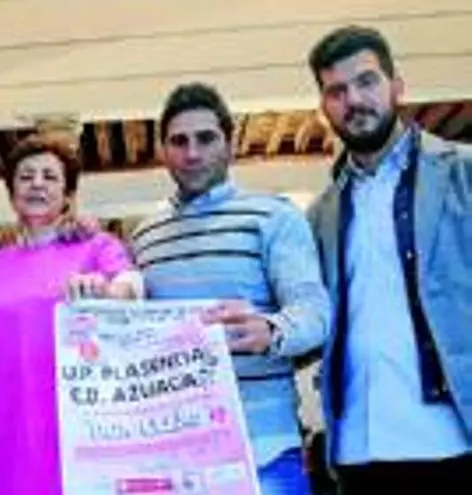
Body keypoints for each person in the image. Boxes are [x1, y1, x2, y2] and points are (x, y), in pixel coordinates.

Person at [129, 83, 331, 495]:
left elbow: (315, 312)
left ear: (230, 143)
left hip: (263, 450)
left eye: (206, 138)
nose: (192, 153)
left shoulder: (274, 217)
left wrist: (270, 330)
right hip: (171, 457)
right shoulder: (144, 236)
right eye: (178, 141)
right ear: (162, 150)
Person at [305, 25, 472, 492]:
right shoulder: (320, 215)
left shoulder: (463, 172)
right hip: (358, 449)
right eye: (336, 91)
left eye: (366, 81)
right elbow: (313, 321)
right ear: (324, 107)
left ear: (397, 86)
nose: (354, 100)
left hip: (455, 440)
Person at [0, 135, 140, 495]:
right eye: (26, 176)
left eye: (50, 177)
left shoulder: (97, 247)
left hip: (80, 438)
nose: (37, 184)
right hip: (1, 438)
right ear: (11, 193)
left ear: (67, 195)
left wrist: (108, 291)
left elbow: (132, 287)